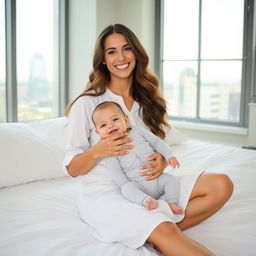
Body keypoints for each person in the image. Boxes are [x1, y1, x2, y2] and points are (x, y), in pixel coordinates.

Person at [64, 24, 233, 256]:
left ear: (136, 53)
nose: (121, 57)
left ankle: (151, 234)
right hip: (108, 194)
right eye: (111, 51)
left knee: (221, 184)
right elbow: (72, 168)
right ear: (103, 59)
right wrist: (98, 150)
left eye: (126, 49)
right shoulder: (87, 104)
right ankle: (160, 232)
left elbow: (155, 144)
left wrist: (162, 161)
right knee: (166, 230)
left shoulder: (147, 99)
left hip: (151, 185)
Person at [92, 101, 183, 213]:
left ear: (125, 119)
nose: (110, 125)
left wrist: (169, 156)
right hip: (138, 185)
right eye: (103, 125)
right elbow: (116, 173)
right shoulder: (110, 149)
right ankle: (147, 201)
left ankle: (172, 202)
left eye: (115, 119)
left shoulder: (138, 130)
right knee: (126, 189)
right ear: (98, 132)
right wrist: (127, 185)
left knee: (171, 179)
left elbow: (156, 142)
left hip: (158, 179)